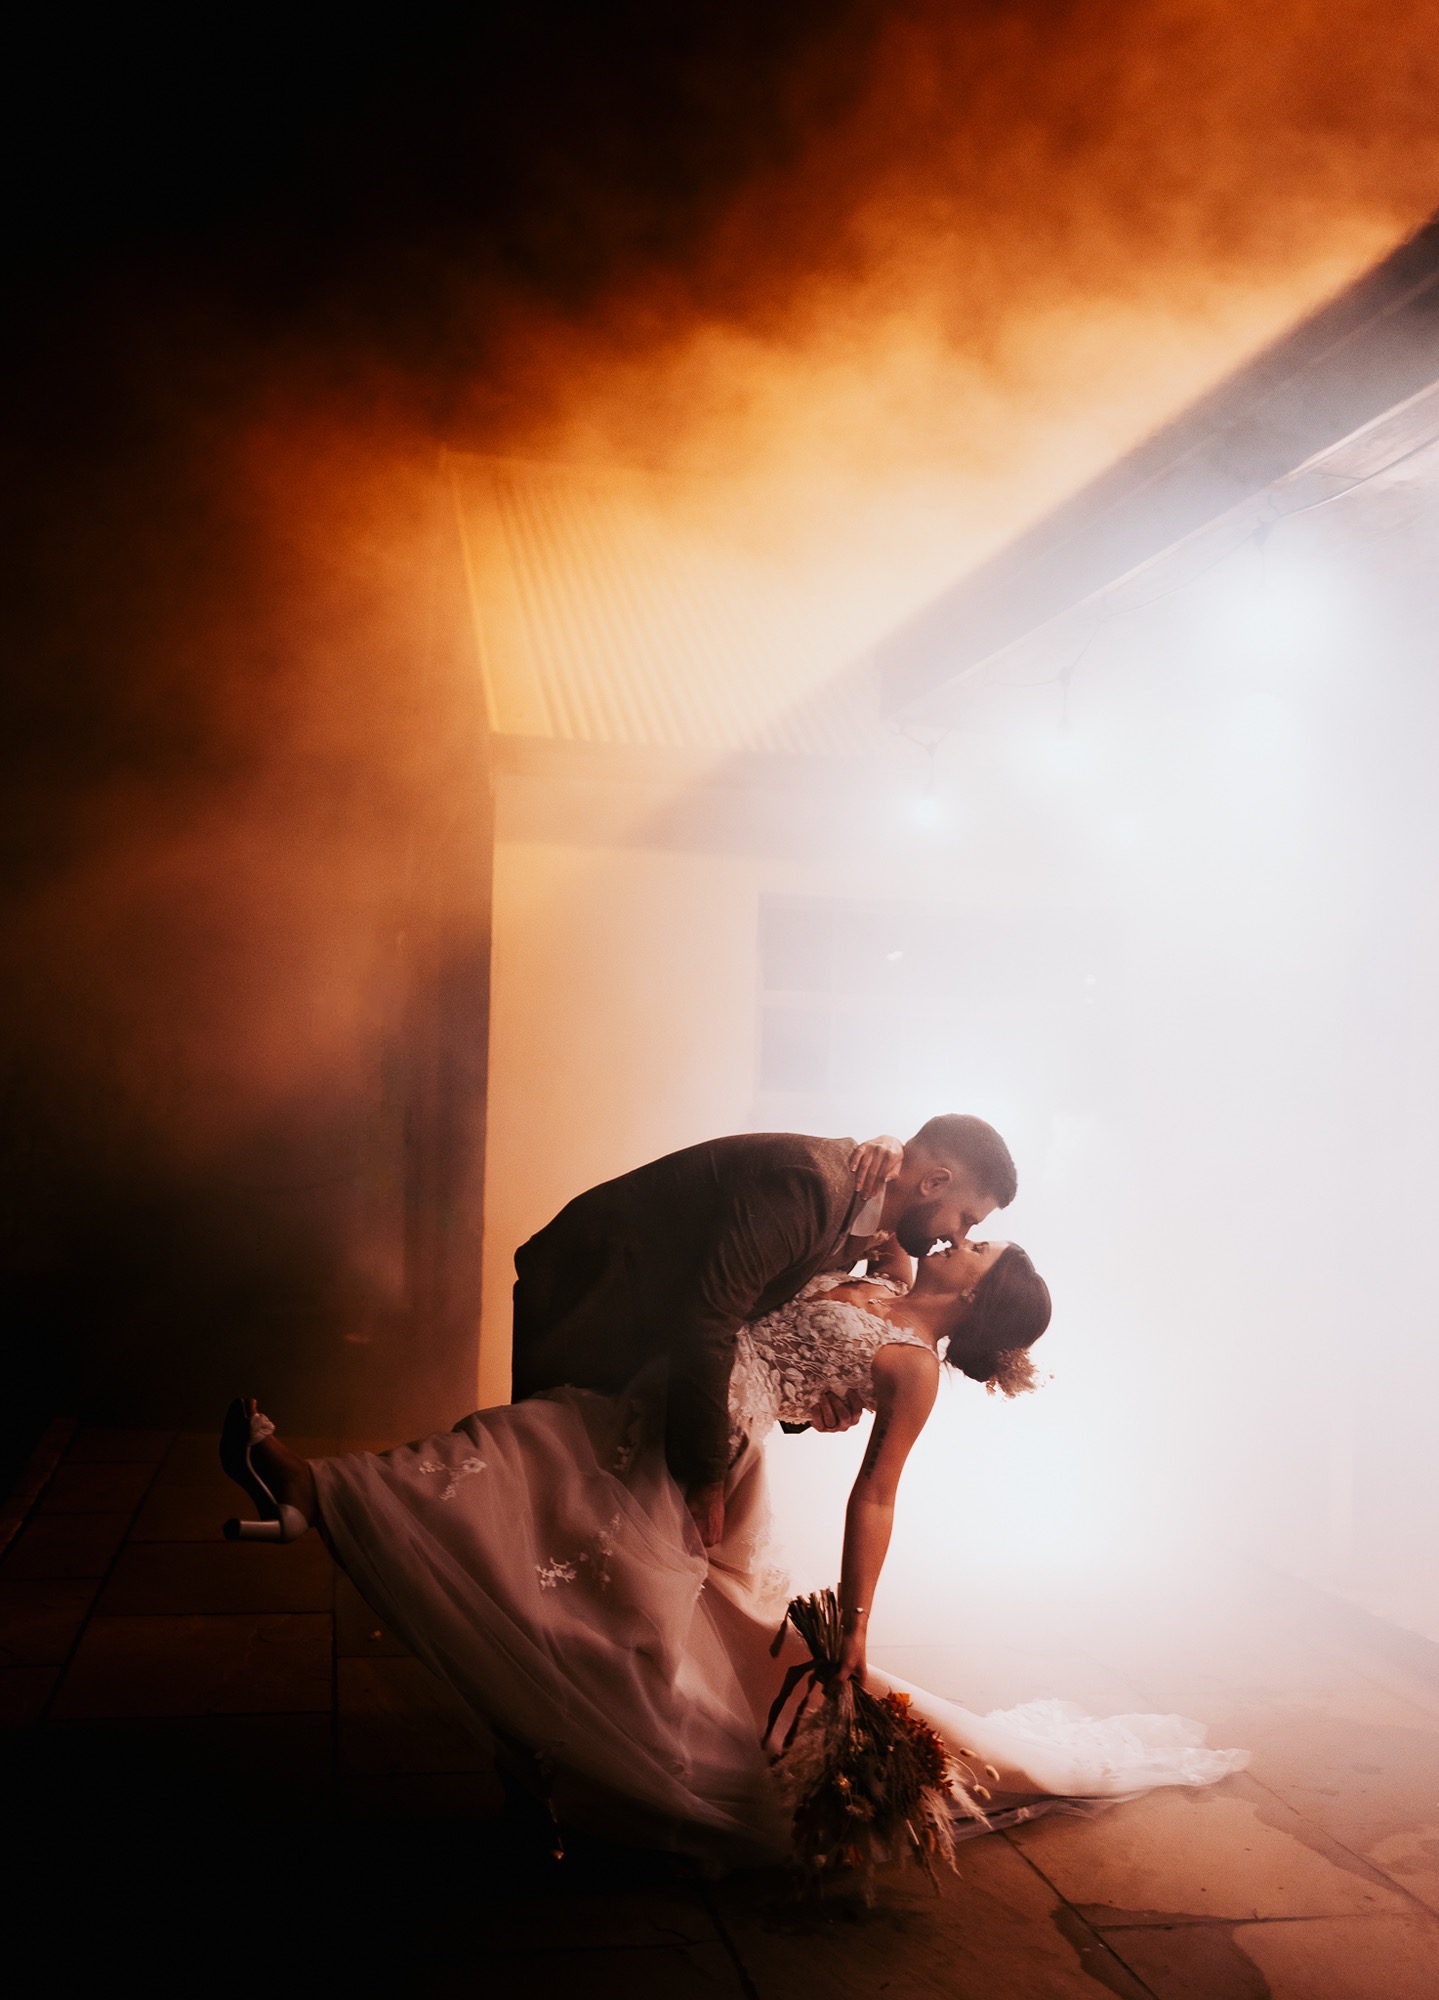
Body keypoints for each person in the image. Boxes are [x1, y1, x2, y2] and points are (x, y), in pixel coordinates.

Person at [220, 1193, 1247, 1864]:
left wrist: (852, 1621)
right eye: (969, 1224)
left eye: (976, 1243)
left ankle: (315, 1492)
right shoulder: (887, 1277)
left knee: (524, 1491)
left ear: (975, 1290)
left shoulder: (914, 1366)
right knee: (522, 1482)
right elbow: (861, 1236)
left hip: (700, 1440)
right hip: (675, 1406)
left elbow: (874, 1491)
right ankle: (334, 1514)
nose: (958, 1237)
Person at [508, 1116, 1017, 1545]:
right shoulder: (814, 1187)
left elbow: (791, 1325)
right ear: (932, 1183)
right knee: (527, 1491)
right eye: (967, 1219)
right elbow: (709, 1315)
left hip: (657, 1353)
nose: (958, 1235)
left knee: (554, 1519)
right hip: (593, 1296)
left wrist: (807, 1400)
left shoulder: (877, 1220)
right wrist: (707, 1475)